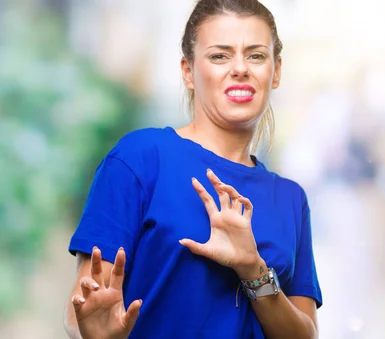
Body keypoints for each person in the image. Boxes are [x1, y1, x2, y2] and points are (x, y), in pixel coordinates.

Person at [62, 1, 323, 338]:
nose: (240, 68)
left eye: (256, 55)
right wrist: (95, 331)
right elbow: (81, 310)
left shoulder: (290, 199)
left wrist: (253, 268)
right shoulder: (140, 158)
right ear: (188, 71)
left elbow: (304, 334)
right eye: (220, 55)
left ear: (276, 72)